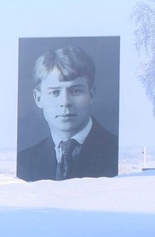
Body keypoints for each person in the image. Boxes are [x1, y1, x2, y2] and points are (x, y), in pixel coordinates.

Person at [16, 45, 119, 182]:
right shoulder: (23, 162)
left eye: (75, 91)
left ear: (91, 94)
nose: (65, 102)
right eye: (54, 92)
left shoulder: (117, 153)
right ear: (38, 98)